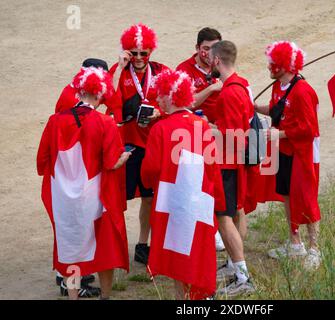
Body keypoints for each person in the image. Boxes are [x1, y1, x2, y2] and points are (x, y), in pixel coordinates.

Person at [37, 67, 130, 299]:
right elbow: (111, 163)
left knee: (71, 247)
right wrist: (124, 157)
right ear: (100, 94)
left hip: (63, 200)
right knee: (103, 248)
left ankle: (73, 296)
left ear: (79, 92)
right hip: (96, 198)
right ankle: (105, 296)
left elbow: (42, 163)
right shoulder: (104, 123)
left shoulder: (54, 121)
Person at [141, 69, 225, 299]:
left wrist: (151, 185)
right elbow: (211, 167)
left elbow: (149, 170)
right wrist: (215, 199)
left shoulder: (160, 128)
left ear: (171, 96)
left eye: (160, 94)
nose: (157, 99)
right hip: (199, 200)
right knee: (197, 249)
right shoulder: (202, 125)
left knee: (176, 252)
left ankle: (181, 297)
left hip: (171, 202)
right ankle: (199, 295)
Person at [254, 41, 321, 270]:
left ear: (285, 65)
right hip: (283, 151)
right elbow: (275, 110)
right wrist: (252, 107)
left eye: (274, 63)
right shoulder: (277, 87)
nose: (270, 66)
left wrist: (279, 134)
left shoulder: (303, 91)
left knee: (306, 199)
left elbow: (309, 129)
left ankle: (315, 249)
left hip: (301, 154)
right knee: (287, 196)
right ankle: (295, 243)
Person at [111, 23, 169, 265]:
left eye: (142, 53)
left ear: (150, 52)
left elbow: (177, 102)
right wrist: (118, 67)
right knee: (116, 199)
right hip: (127, 146)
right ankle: (113, 248)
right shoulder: (120, 71)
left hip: (153, 146)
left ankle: (143, 244)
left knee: (149, 198)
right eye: (132, 52)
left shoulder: (163, 72)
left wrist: (159, 113)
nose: (137, 58)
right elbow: (106, 95)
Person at [209, 40, 256, 296]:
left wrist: (210, 129)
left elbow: (235, 135)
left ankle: (242, 276)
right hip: (233, 162)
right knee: (229, 217)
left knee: (224, 220)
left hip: (227, 163)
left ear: (217, 61)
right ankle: (235, 268)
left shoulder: (228, 92)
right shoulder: (241, 87)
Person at [176, 27, 225, 252]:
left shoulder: (221, 64)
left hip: (220, 133)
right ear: (197, 48)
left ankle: (217, 227)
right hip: (193, 136)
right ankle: (205, 229)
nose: (209, 53)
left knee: (219, 182)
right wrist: (211, 89)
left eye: (214, 48)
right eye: (205, 49)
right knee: (199, 183)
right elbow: (185, 102)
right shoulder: (183, 70)